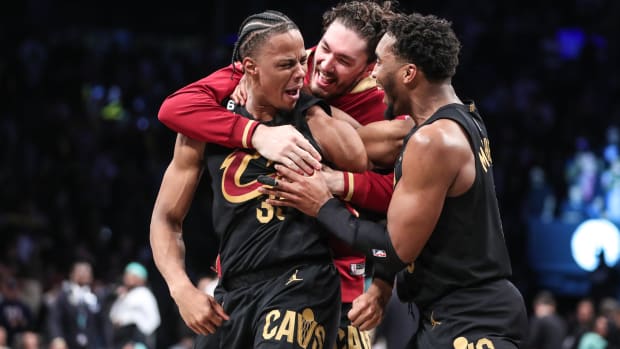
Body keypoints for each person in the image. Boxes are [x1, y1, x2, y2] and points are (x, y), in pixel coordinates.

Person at [258, 12, 528, 347]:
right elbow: (414, 224)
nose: (373, 73)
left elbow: (394, 248)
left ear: (409, 73)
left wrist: (323, 205)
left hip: (472, 321)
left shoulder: (434, 141)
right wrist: (383, 284)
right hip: (449, 313)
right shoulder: (463, 118)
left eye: (380, 63)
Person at [157, 2, 413, 344]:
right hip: (238, 279)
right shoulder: (274, 59)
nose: (317, 66)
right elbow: (174, 108)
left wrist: (337, 181)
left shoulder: (373, 105)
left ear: (368, 69)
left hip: (328, 279)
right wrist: (256, 133)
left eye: (344, 61)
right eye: (321, 50)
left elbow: (403, 194)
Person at [45, 261, 106, 349]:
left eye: (86, 271)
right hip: (68, 343)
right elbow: (54, 319)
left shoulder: (96, 296)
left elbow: (103, 323)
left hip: (91, 344)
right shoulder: (63, 295)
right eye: (80, 271)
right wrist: (57, 337)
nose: (83, 274)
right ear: (72, 274)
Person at [108, 262, 161, 349]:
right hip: (120, 339)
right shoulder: (124, 294)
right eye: (127, 274)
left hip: (136, 340)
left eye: (132, 275)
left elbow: (154, 320)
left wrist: (136, 343)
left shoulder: (144, 294)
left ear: (141, 279)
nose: (127, 277)